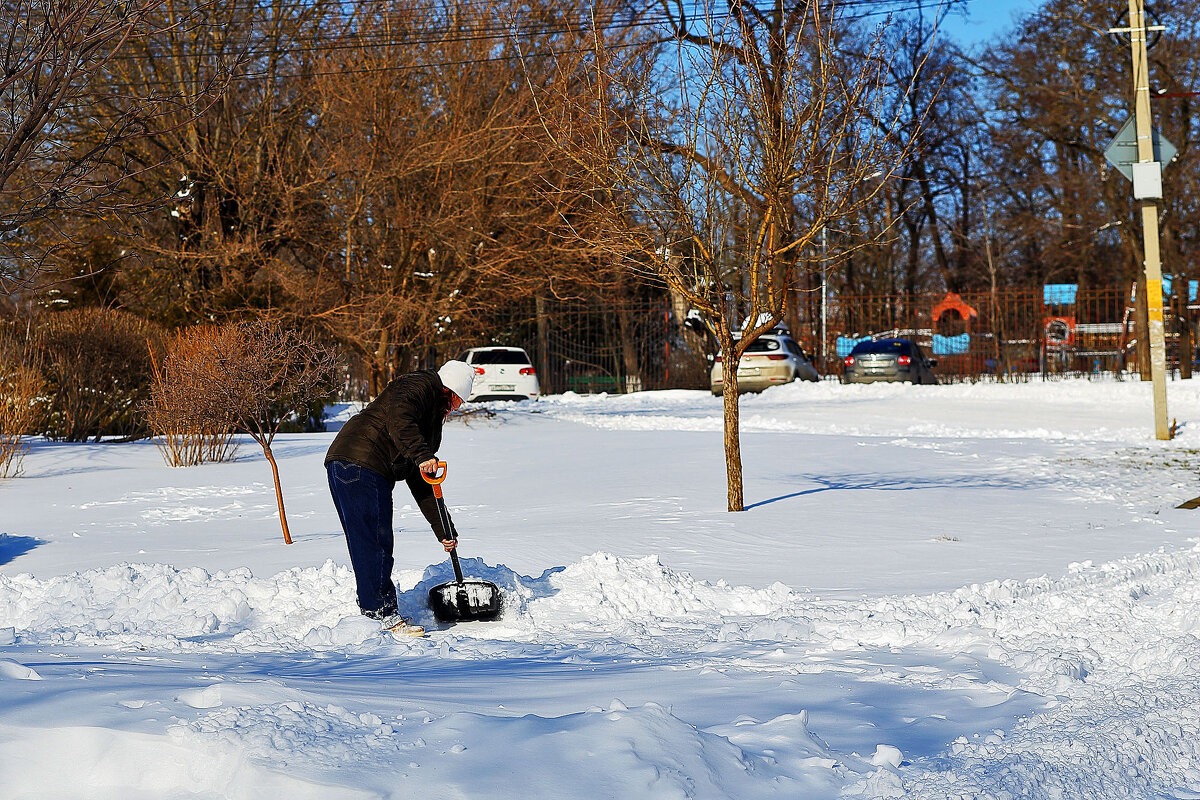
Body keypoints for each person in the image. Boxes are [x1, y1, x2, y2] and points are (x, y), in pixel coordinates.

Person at [324, 360, 475, 635]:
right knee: (375, 542)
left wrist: (444, 529)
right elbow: (399, 419)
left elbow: (422, 479)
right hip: (361, 462)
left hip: (350, 464)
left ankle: (373, 612)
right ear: (450, 390)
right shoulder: (418, 385)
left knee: (367, 541)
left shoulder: (429, 422)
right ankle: (382, 615)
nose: (456, 409)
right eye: (457, 402)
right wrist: (423, 455)